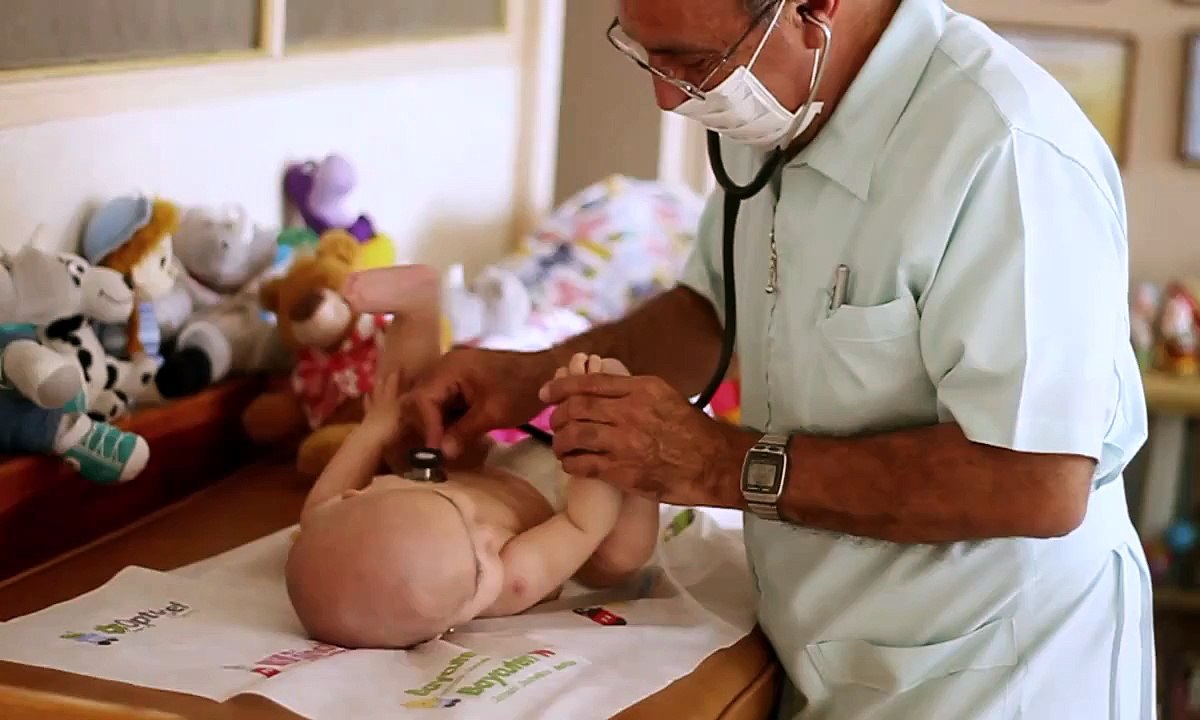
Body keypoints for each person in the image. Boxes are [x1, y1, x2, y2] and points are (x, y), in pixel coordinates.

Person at [401, 0, 1153, 717]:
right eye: (645, 54)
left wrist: (715, 465)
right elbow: (715, 310)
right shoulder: (776, 104)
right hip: (822, 646)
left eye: (693, 60)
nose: (669, 96)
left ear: (813, 10)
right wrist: (528, 377)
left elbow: (1038, 482)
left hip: (990, 674)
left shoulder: (1006, 150)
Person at [286, 265, 659, 649]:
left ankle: (418, 310)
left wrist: (376, 426)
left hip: (491, 465)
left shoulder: (335, 519)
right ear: (446, 627)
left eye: (447, 501)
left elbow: (319, 510)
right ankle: (621, 408)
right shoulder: (512, 583)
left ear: (361, 494)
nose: (488, 533)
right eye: (482, 567)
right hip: (570, 497)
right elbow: (583, 525)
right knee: (620, 556)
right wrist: (591, 430)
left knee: (409, 425)